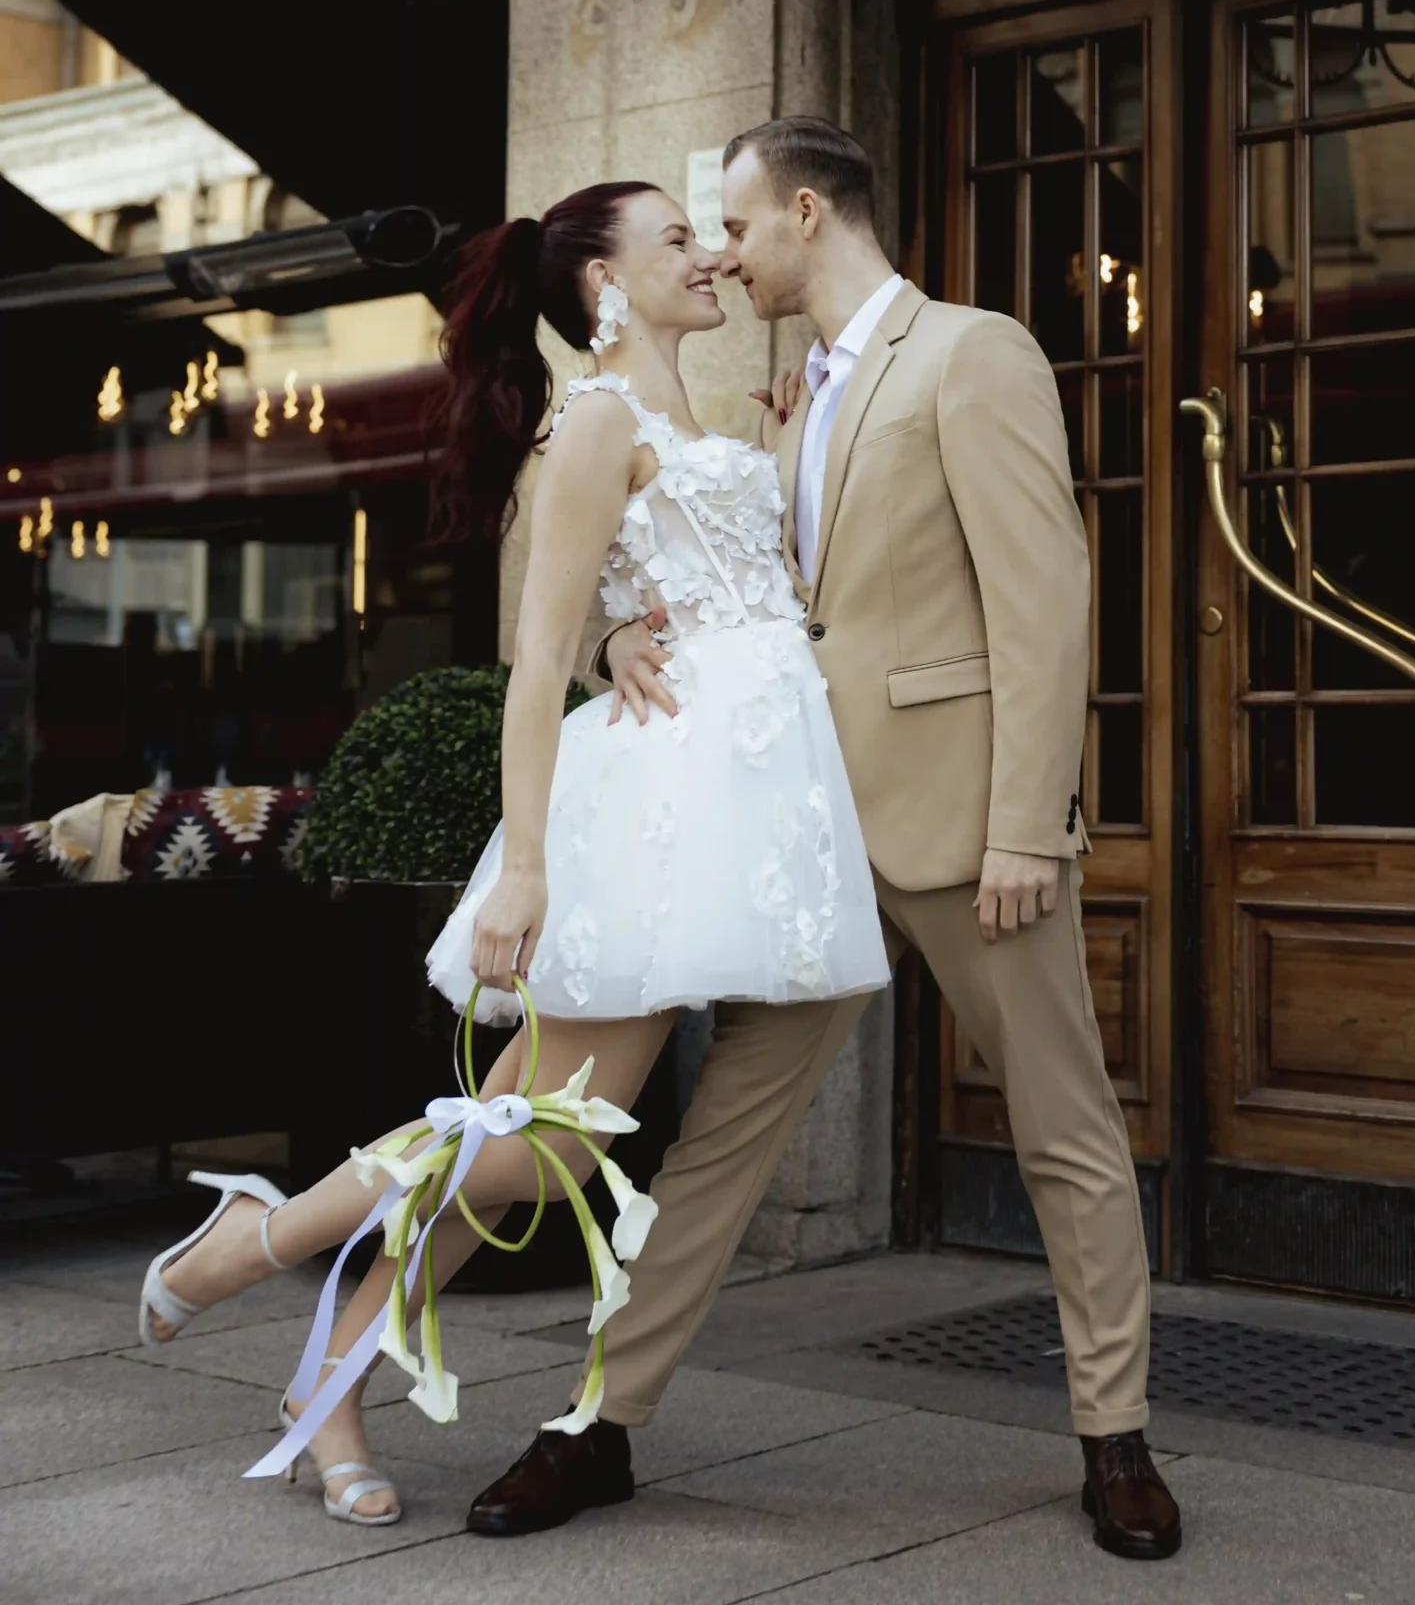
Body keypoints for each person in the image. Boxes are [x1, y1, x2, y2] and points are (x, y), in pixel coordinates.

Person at [466, 118, 1181, 1563]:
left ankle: (1114, 1441)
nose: (721, 255)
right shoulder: (772, 404)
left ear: (804, 212)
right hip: (797, 831)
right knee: (720, 1140)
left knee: (1063, 1132)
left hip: (964, 826)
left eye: (733, 227)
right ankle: (599, 1424)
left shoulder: (973, 354)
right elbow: (701, 579)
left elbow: (1043, 598)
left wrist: (1025, 821)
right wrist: (613, 632)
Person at [135, 181, 887, 1528]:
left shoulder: (695, 415)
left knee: (534, 1150)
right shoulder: (596, 421)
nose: (710, 256)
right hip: (649, 812)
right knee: (529, 1141)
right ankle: (258, 1240)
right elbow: (537, 655)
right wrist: (526, 868)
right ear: (599, 284)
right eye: (676, 240)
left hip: (728, 805)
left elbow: (697, 595)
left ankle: (325, 1386)